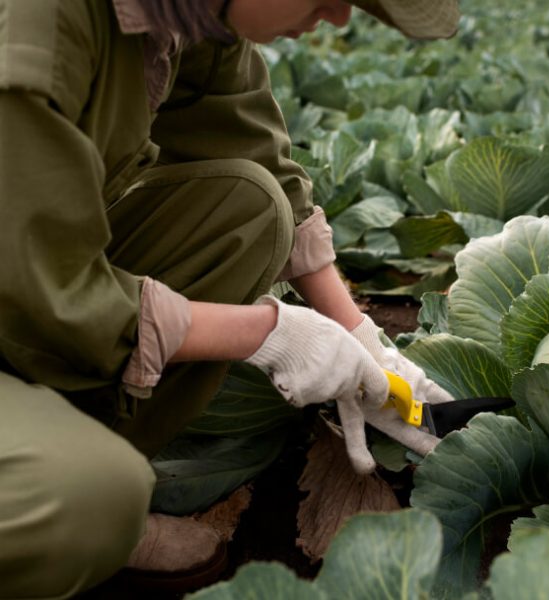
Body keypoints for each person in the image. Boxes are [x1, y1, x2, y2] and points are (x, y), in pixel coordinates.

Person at [0, 0, 460, 597]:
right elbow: (45, 289)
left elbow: (256, 153)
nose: (341, 16)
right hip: (28, 290)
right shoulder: (41, 28)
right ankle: (70, 499)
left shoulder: (188, 14)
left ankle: (75, 458)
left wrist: (362, 339)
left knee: (249, 207)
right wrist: (268, 333)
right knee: (87, 501)